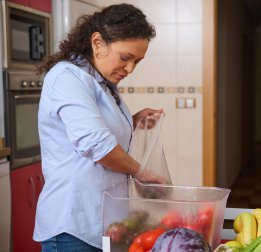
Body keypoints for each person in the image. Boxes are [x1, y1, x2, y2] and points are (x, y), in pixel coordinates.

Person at [33, 4, 162, 251]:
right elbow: (98, 146)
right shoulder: (66, 78)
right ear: (97, 43)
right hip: (73, 225)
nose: (130, 69)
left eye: (137, 61)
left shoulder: (100, 82)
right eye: (125, 58)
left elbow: (96, 129)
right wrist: (141, 172)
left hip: (102, 222)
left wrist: (133, 120)